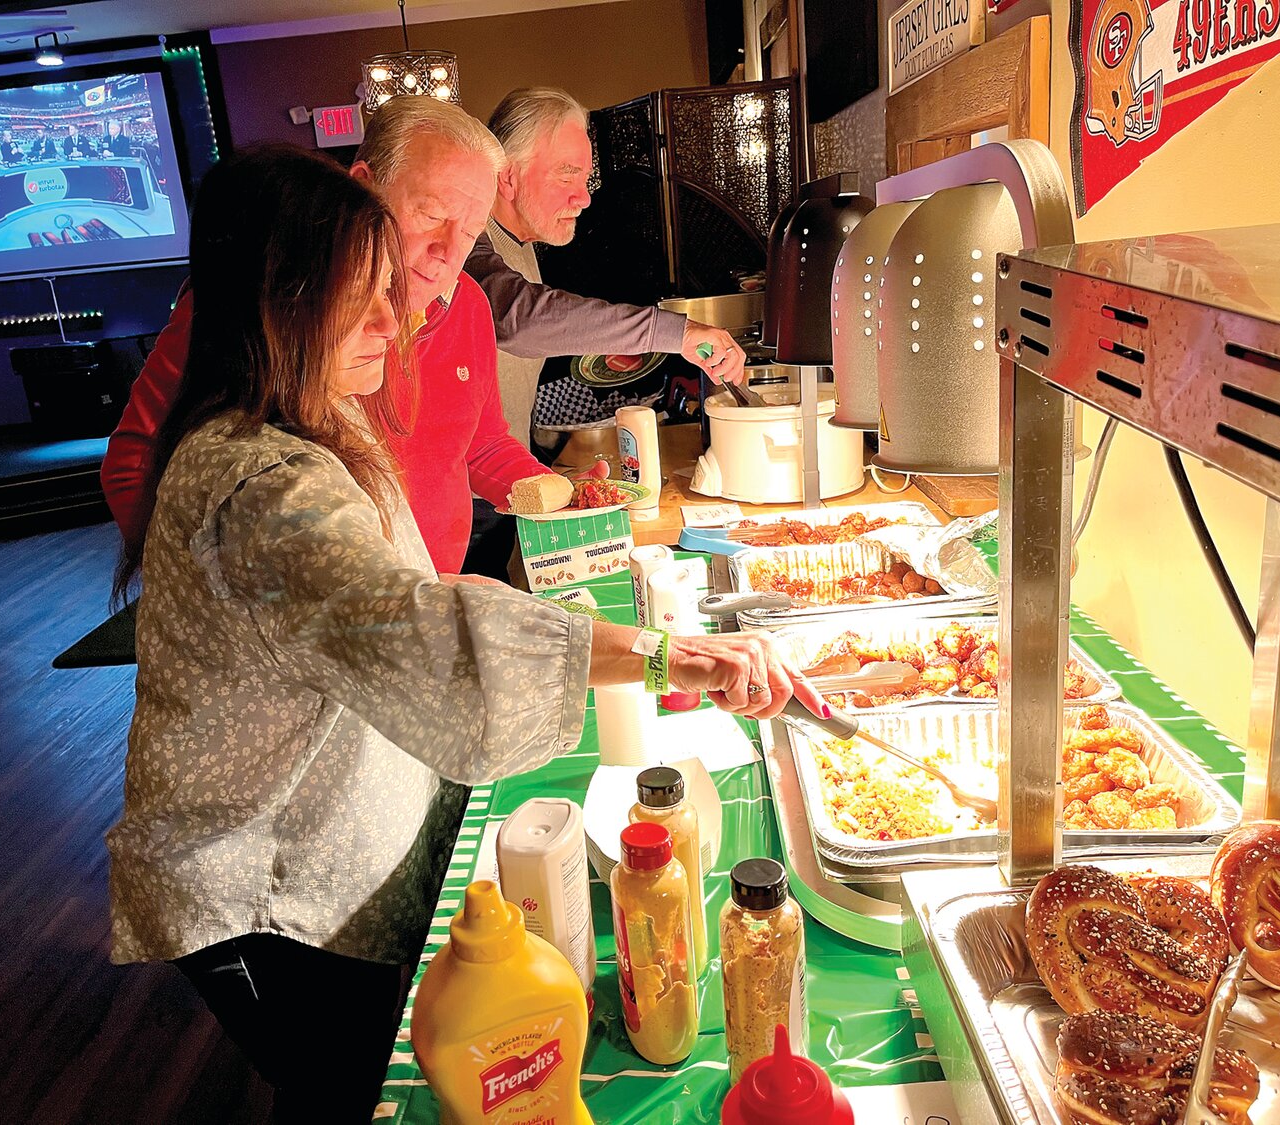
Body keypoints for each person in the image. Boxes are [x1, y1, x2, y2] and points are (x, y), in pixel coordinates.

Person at [106, 142, 823, 1124]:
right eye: (362, 298)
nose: (395, 319)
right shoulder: (261, 485)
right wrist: (667, 655)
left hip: (334, 816)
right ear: (272, 303)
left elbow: (417, 592)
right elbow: (428, 634)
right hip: (260, 887)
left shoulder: (314, 416)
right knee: (349, 1086)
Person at [102, 97, 590, 578]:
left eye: (469, 232)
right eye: (431, 215)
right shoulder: (265, 307)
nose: (446, 252)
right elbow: (133, 467)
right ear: (363, 190)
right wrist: (215, 590)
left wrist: (565, 496)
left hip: (427, 604)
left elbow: (482, 446)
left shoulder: (468, 305)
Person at [467, 86, 747, 451]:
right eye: (566, 176)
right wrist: (677, 334)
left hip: (508, 477)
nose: (583, 198)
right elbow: (518, 318)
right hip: (468, 500)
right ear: (507, 176)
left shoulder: (523, 239)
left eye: (585, 178)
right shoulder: (469, 235)